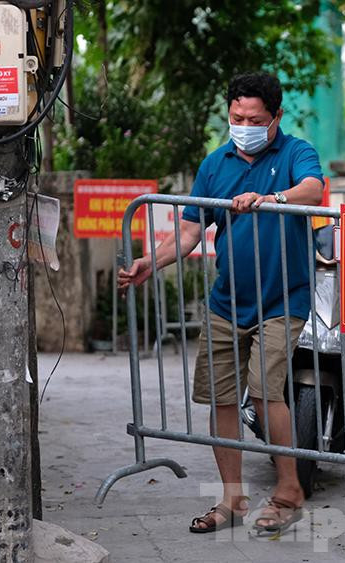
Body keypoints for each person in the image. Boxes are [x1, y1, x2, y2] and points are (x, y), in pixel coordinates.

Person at [118, 72, 323, 536]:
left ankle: (290, 489)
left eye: (255, 118)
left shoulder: (294, 153)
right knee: (220, 397)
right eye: (237, 116)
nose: (244, 124)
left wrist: (271, 197)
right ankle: (231, 499)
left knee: (265, 389)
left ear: (276, 118)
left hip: (283, 298)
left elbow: (314, 189)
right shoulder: (215, 164)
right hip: (227, 302)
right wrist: (152, 261)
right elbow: (190, 231)